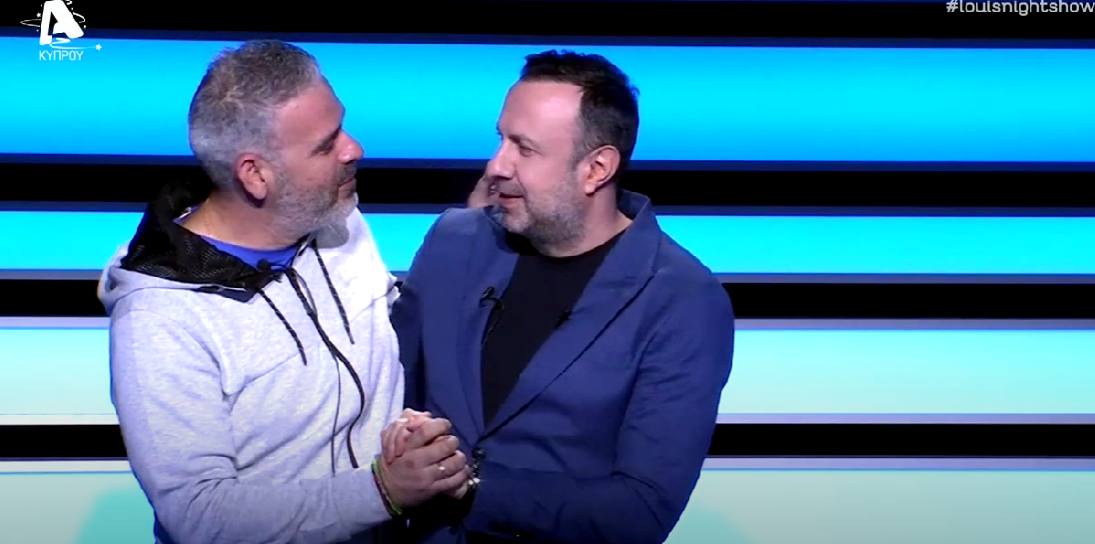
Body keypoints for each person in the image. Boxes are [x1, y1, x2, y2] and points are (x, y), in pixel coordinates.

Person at [97, 39, 468, 544]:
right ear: (255, 175)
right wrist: (382, 490)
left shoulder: (333, 218)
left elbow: (384, 344)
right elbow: (199, 514)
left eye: (342, 126)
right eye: (326, 144)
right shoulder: (159, 321)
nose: (354, 149)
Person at [387, 50, 736, 544]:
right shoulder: (454, 242)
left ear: (597, 168)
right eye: (500, 139)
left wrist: (470, 488)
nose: (496, 166)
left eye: (524, 149)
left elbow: (641, 509)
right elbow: (387, 390)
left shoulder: (682, 300)